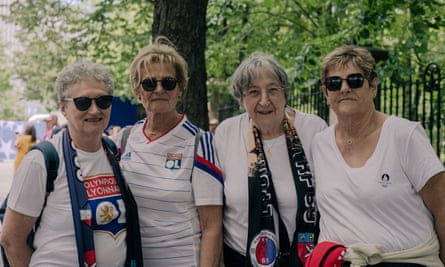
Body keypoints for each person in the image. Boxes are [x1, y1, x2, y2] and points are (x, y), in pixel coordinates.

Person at [308, 45, 445, 266]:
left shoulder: (404, 135)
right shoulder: (319, 143)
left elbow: (442, 207)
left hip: (408, 262)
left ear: (373, 86)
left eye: (354, 80)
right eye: (334, 83)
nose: (344, 88)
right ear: (326, 93)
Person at [0, 60, 143, 267]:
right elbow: (11, 240)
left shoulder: (113, 153)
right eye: (83, 102)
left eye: (103, 101)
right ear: (64, 108)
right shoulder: (43, 160)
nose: (94, 110)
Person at [117, 36, 223, 266]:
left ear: (180, 89)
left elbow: (212, 226)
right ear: (137, 91)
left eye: (168, 82)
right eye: (149, 83)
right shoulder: (124, 140)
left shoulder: (200, 143)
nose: (158, 89)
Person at [214, 52, 327, 267]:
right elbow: (213, 210)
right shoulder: (226, 133)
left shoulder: (313, 129)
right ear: (241, 99)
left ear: (285, 94)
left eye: (273, 90)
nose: (264, 101)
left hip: (304, 258)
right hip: (241, 259)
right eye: (254, 92)